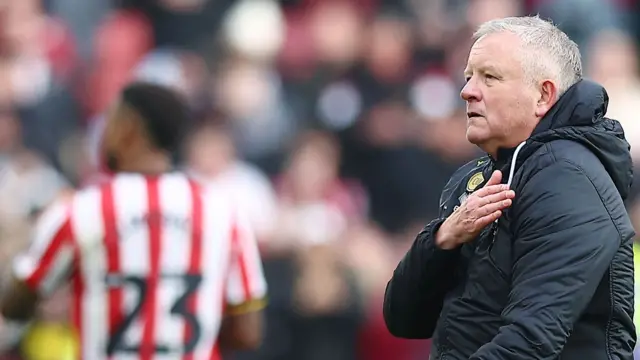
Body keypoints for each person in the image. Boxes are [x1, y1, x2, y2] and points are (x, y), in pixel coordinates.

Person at [383, 15, 636, 359]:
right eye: (469, 76)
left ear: (543, 95)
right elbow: (404, 319)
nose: (467, 91)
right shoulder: (474, 178)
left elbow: (531, 339)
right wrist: (441, 239)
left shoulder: (570, 179)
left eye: (490, 77)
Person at [0, 82, 268, 359]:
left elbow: (14, 306)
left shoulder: (82, 210)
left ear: (128, 128)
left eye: (110, 120)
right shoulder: (223, 212)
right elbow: (248, 333)